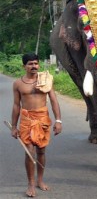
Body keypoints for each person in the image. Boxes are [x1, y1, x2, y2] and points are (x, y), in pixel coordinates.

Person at [11, 53, 62, 197]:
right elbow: (16, 105)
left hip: (42, 119)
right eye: (30, 64)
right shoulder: (18, 83)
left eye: (35, 63)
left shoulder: (45, 79)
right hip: (27, 120)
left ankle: (40, 180)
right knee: (29, 152)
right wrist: (14, 126)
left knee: (41, 151)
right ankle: (31, 184)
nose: (34, 66)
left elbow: (53, 100)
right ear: (24, 66)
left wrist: (58, 120)